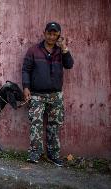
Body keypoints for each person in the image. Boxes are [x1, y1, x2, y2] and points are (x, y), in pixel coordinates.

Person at [22, 22, 74, 167]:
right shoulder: (33, 51)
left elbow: (69, 65)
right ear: (44, 33)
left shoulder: (60, 51)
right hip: (37, 95)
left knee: (54, 126)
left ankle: (53, 155)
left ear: (58, 35)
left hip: (55, 96)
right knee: (36, 124)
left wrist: (64, 48)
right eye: (49, 33)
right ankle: (34, 153)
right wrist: (26, 88)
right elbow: (26, 70)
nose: (51, 36)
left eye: (54, 34)